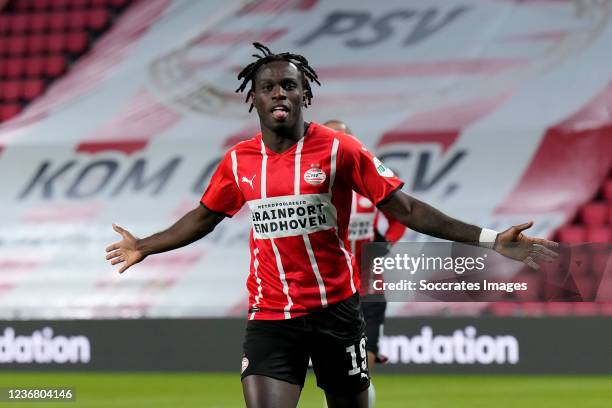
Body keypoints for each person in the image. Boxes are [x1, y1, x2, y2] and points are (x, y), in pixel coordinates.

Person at [105, 43, 558, 408]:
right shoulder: (238, 161)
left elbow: (405, 209)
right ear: (254, 98)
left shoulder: (341, 150)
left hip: (336, 313)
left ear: (305, 94)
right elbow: (203, 216)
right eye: (268, 87)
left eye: (289, 85)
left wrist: (492, 239)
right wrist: (145, 245)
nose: (279, 93)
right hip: (270, 315)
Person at [323, 119, 405, 407]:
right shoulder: (314, 184)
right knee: (336, 368)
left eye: (343, 137)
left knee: (363, 364)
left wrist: (385, 245)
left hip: (369, 284)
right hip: (333, 289)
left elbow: (399, 216)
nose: (338, 143)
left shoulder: (368, 178)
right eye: (333, 137)